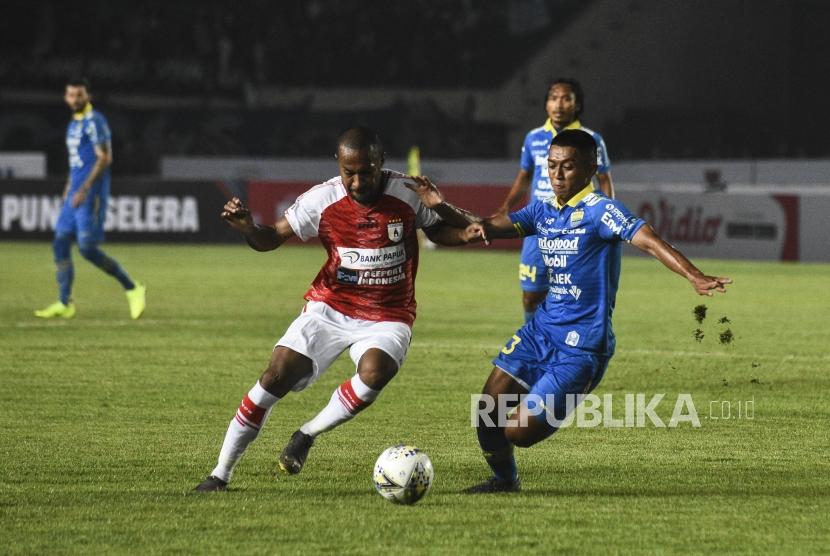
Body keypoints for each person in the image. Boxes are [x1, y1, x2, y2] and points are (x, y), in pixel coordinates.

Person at [195, 127, 478, 492]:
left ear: (381, 164)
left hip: (389, 313)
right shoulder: (321, 200)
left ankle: (307, 434)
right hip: (331, 306)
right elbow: (271, 239)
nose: (358, 181)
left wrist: (452, 221)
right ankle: (220, 474)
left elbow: (441, 230)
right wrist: (249, 227)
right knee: (274, 377)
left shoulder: (407, 192)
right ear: (338, 166)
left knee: (376, 372)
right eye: (350, 172)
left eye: (367, 171)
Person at [462, 129, 731, 493]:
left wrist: (694, 275)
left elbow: (649, 241)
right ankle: (505, 481)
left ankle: (556, 403)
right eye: (552, 166)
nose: (556, 175)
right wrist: (437, 207)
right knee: (487, 412)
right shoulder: (543, 209)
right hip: (541, 331)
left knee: (517, 433)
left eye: (567, 167)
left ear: (590, 169)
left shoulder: (602, 211)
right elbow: (487, 227)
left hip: (582, 345)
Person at [494, 78, 613, 322]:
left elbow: (605, 179)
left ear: (577, 105)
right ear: (546, 104)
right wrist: (505, 207)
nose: (559, 104)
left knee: (573, 294)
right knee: (530, 295)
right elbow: (524, 176)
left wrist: (608, 215)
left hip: (576, 226)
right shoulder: (533, 138)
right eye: (554, 98)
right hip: (540, 225)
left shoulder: (591, 139)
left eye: (566, 98)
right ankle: (535, 344)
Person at [35, 78, 145, 320]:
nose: (75, 99)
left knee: (86, 249)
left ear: (88, 96)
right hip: (74, 194)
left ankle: (132, 287)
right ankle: (65, 303)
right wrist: (68, 186)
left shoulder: (95, 121)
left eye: (80, 95)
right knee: (60, 243)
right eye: (71, 95)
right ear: (66, 98)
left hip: (90, 195)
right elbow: (76, 161)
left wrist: (84, 188)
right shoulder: (73, 124)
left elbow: (104, 157)